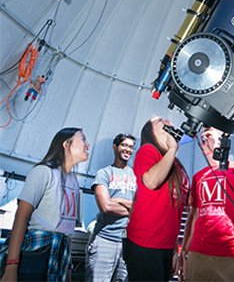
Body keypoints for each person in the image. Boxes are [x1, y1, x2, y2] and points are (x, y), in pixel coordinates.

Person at [0, 127, 90, 282]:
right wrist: (11, 266)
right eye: (82, 139)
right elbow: (21, 217)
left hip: (59, 253)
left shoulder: (74, 181)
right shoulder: (43, 172)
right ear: (66, 144)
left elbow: (68, 229)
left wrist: (68, 267)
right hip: (37, 252)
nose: (87, 145)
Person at [178, 127, 234, 282]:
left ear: (222, 140)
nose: (204, 140)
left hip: (230, 257)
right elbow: (193, 218)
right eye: (202, 137)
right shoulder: (198, 177)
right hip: (197, 255)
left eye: (209, 135)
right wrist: (184, 253)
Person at [123, 117, 190, 282]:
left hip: (166, 246)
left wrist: (176, 250)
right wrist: (172, 148)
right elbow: (152, 181)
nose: (167, 120)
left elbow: (177, 210)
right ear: (151, 132)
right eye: (160, 120)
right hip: (145, 244)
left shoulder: (176, 164)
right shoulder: (148, 150)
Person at [85, 133, 137, 282]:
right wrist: (133, 209)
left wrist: (119, 200)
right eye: (125, 145)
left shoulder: (137, 176)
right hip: (104, 240)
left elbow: (142, 207)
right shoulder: (104, 173)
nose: (128, 149)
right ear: (115, 147)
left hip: (128, 243)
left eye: (131, 147)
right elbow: (105, 206)